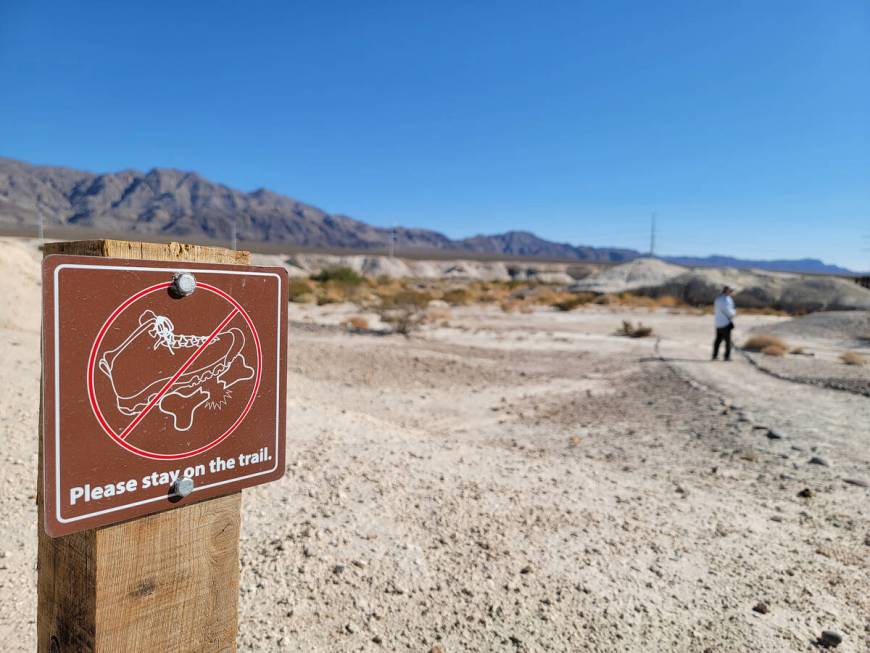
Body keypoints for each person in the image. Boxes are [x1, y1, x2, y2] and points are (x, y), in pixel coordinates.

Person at [712, 286, 736, 361]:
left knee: (718, 340)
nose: (731, 292)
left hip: (718, 322)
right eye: (730, 291)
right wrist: (733, 314)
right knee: (727, 341)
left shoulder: (718, 299)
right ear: (726, 291)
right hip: (725, 322)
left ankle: (714, 355)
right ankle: (727, 356)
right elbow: (728, 311)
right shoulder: (726, 300)